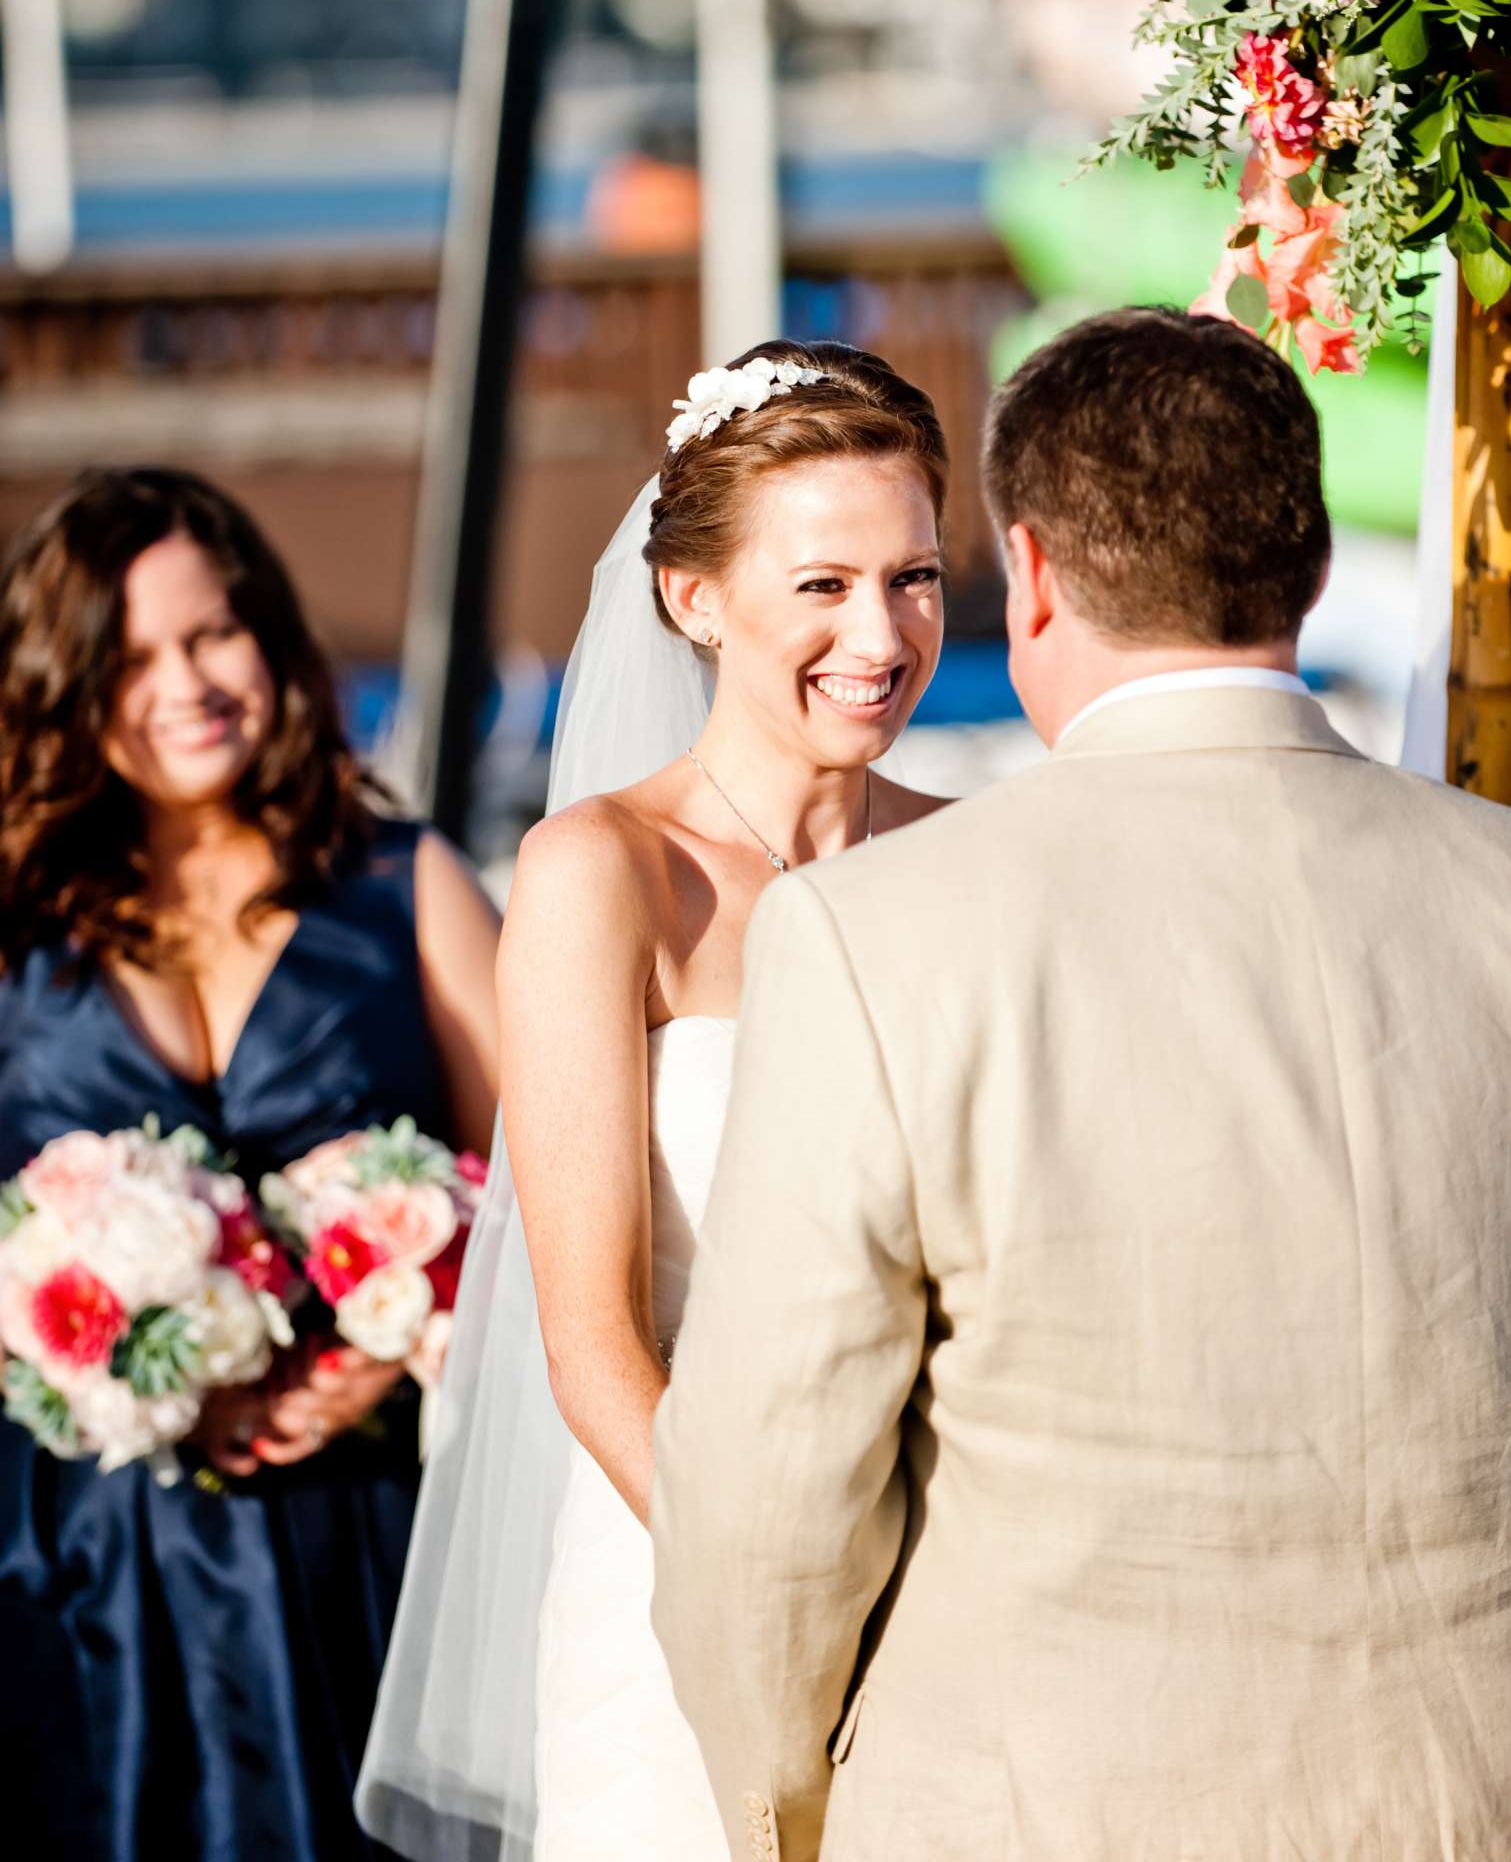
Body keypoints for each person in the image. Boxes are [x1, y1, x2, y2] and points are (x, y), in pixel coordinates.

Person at [652, 306, 1511, 1862]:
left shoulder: (877, 938)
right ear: (1300, 562)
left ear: (1023, 573)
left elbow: (769, 1505)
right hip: (1506, 1803)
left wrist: (791, 1819)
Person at [358, 339, 949, 1862]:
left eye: (914, 577)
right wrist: (778, 1600)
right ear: (696, 600)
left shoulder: (970, 862)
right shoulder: (603, 876)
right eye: (821, 585)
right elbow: (592, 1343)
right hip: (675, 1583)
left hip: (951, 1596)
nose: (879, 634)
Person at [0, 466, 499, 1862]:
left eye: (214, 633)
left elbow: (544, 1194)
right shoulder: (15, 929)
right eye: (134, 655)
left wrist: (386, 1352)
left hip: (368, 1542)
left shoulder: (406, 888)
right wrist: (74, 1355)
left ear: (271, 638)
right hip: (87, 1572)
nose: (187, 681)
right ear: (67, 684)